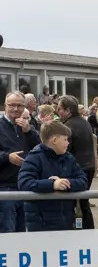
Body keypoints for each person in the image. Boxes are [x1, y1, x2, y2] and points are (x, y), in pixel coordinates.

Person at [17, 121, 89, 231]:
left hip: (66, 220)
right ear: (54, 140)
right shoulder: (34, 157)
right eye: (65, 139)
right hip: (41, 224)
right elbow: (24, 183)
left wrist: (65, 183)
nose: (68, 143)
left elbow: (83, 180)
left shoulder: (69, 158)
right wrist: (52, 185)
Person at [0, 92, 41, 232]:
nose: (16, 109)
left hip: (25, 186)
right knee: (7, 233)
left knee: (22, 234)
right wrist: (7, 157)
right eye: (12, 105)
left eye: (19, 105)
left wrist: (29, 131)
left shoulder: (27, 126)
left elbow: (41, 147)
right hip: (4, 188)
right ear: (5, 106)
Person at [57, 95, 97, 229]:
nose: (58, 111)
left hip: (77, 170)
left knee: (74, 205)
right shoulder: (84, 122)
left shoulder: (68, 126)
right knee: (84, 203)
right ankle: (88, 230)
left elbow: (64, 151)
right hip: (88, 167)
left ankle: (77, 231)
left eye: (60, 109)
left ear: (68, 110)